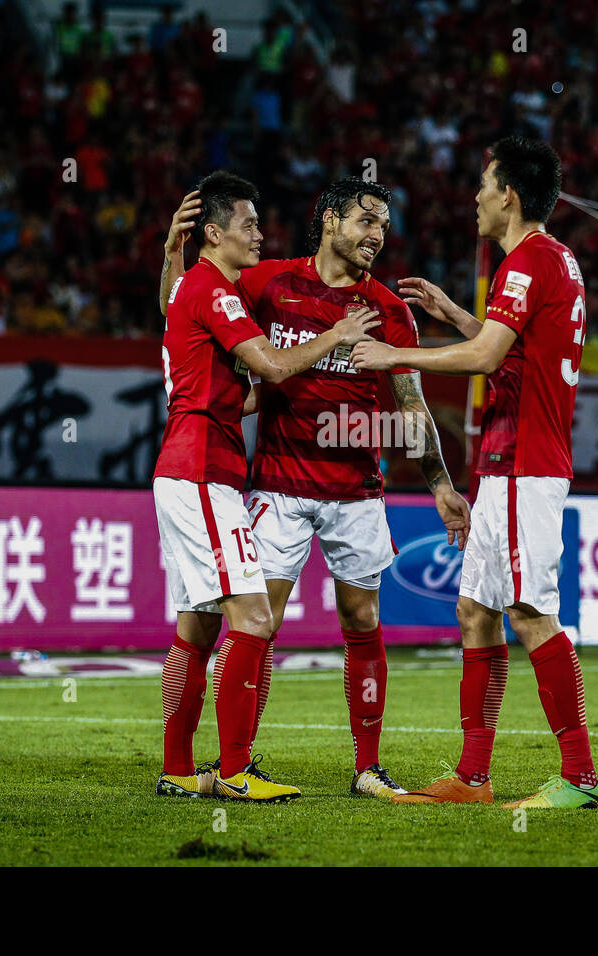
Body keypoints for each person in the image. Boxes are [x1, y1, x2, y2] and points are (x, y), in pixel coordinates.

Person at [160, 178, 470, 798]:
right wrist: (173, 255)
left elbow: (409, 405)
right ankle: (237, 763)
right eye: (366, 220)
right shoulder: (267, 281)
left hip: (356, 489)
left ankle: (367, 766)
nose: (377, 234)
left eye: (384, 224)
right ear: (330, 221)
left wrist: (440, 483)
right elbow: (185, 304)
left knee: (362, 617)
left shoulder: (390, 310)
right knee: (259, 621)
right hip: (279, 485)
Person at [351, 136, 598, 809]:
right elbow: (518, 351)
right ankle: (473, 777)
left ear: (509, 197)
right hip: (506, 463)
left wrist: (398, 353)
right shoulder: (557, 260)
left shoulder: (525, 262)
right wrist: (459, 316)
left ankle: (579, 775)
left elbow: (489, 357)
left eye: (484, 185)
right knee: (475, 612)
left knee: (529, 613)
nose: (476, 196)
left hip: (526, 462)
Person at [152, 170, 380, 802]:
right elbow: (275, 365)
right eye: (248, 225)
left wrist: (169, 258)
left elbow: (233, 379)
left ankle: (177, 769)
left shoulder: (195, 286)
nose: (260, 235)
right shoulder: (218, 291)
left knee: (198, 624)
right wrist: (335, 336)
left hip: (192, 465)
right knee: (253, 617)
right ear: (214, 232)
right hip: (202, 471)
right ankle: (234, 770)